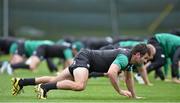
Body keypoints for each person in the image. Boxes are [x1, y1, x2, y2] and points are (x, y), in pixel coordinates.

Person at [12, 44, 151, 99]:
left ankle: (21, 82)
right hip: (86, 58)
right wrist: (120, 91)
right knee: (80, 85)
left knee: (55, 80)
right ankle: (43, 88)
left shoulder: (129, 62)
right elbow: (111, 73)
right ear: (137, 55)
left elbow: (128, 79)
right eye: (145, 58)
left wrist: (133, 96)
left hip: (85, 60)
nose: (145, 61)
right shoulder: (124, 58)